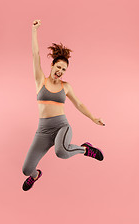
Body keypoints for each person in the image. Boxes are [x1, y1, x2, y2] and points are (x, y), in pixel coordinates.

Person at [22, 19, 105, 191]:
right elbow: (35, 54)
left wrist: (93, 117)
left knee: (61, 152)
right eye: (58, 67)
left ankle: (85, 149)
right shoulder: (40, 81)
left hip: (61, 126)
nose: (60, 71)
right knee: (26, 170)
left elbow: (79, 104)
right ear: (52, 65)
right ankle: (36, 175)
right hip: (43, 131)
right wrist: (34, 31)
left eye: (64, 69)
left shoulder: (65, 86)